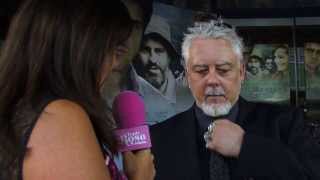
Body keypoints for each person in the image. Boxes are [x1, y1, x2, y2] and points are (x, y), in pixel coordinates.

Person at [0, 0, 155, 179]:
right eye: (113, 52)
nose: (114, 63)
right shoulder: (59, 117)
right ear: (81, 47)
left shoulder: (25, 109)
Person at [150, 19, 320, 180]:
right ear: (187, 76)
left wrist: (246, 146)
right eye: (201, 70)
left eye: (223, 70)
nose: (212, 80)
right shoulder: (158, 139)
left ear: (241, 73)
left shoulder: (285, 124)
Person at [132, 15, 193, 124]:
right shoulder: (127, 97)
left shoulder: (188, 100)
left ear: (169, 56)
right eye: (146, 50)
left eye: (159, 51)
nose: (153, 59)